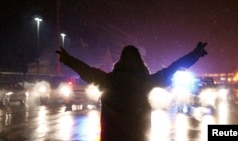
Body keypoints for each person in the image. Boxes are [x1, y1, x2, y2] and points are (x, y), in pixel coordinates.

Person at [56, 41, 208, 141]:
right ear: (140, 62)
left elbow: (84, 70)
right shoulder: (147, 82)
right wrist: (195, 54)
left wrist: (67, 58)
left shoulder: (107, 80)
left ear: (120, 61)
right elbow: (173, 69)